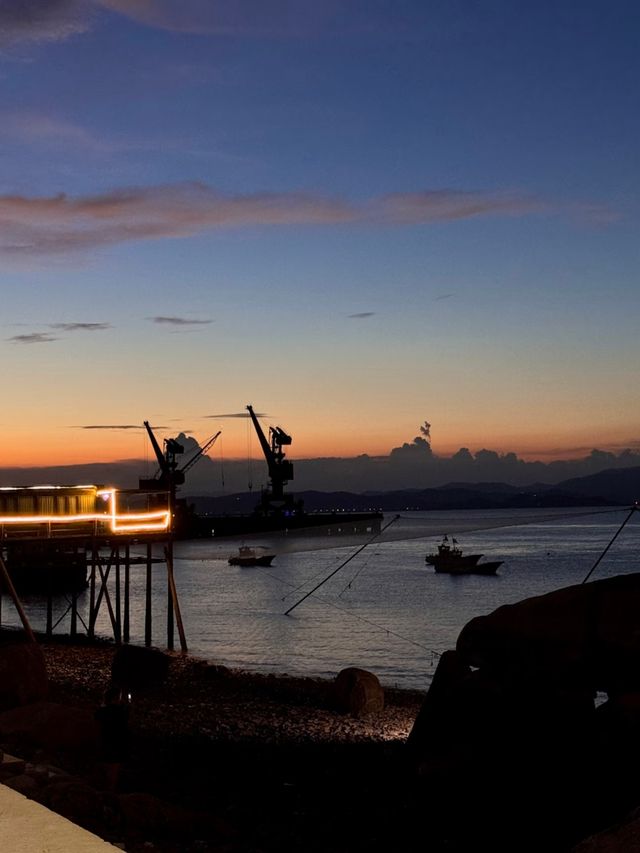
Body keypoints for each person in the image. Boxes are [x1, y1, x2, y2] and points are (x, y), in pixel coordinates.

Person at [95, 684, 131, 791]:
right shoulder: (121, 712)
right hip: (115, 746)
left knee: (103, 773)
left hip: (103, 744)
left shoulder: (101, 711)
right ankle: (109, 793)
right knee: (112, 774)